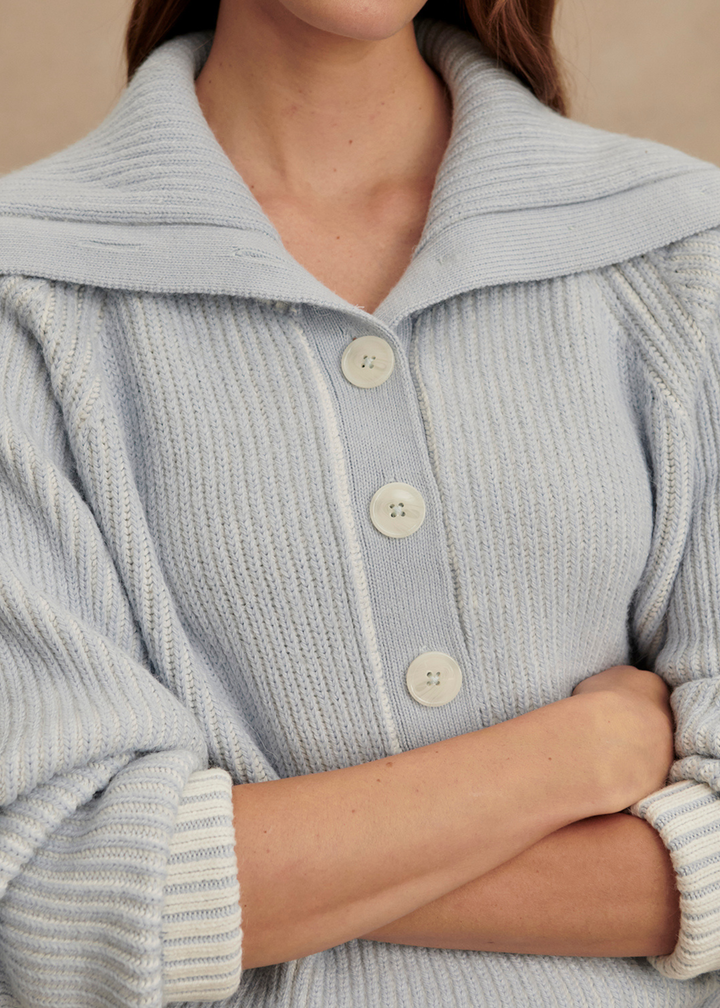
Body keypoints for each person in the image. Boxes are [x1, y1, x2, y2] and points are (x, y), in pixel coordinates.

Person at [1, 0, 720, 1005]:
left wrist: (246, 871)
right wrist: (568, 762)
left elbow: (110, 893)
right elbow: (47, 893)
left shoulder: (682, 255)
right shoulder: (26, 301)